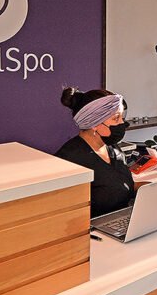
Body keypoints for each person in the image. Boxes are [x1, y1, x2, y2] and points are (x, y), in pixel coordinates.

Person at [55, 87, 137, 219]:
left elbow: (120, 186)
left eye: (122, 117)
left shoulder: (112, 148)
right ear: (94, 123)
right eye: (116, 118)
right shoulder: (69, 160)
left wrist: (150, 188)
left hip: (122, 220)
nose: (123, 123)